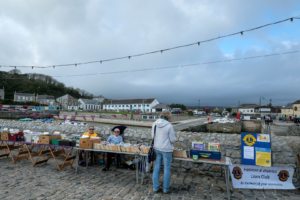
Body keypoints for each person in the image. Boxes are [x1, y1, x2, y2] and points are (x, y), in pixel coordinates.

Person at [151, 110, 176, 194]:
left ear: (161, 115)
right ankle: (166, 189)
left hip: (156, 148)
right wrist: (175, 138)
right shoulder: (169, 125)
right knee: (166, 169)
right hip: (166, 150)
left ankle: (155, 188)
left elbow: (152, 136)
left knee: (156, 168)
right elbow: (172, 140)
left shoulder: (154, 124)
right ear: (169, 116)